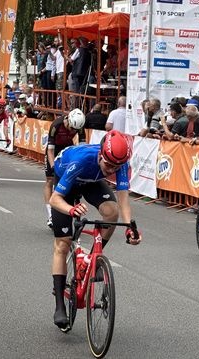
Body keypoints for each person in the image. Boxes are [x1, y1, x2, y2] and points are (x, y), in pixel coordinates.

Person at [49, 130, 141, 328]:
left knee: (111, 211)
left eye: (115, 167)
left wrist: (129, 226)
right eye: (108, 165)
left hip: (91, 181)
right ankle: (59, 306)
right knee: (62, 245)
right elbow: (54, 199)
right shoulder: (82, 161)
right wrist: (71, 208)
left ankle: (92, 260)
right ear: (101, 154)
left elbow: (123, 196)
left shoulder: (119, 162)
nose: (111, 170)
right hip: (68, 180)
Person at [43, 109, 86, 228]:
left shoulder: (79, 126)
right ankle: (50, 214)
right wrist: (53, 166)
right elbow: (50, 150)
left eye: (75, 130)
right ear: (68, 120)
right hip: (54, 149)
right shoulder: (56, 124)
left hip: (67, 149)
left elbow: (83, 149)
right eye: (72, 128)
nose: (73, 131)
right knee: (50, 180)